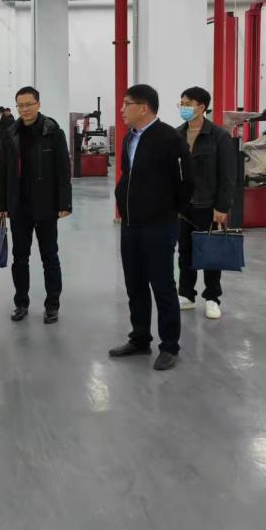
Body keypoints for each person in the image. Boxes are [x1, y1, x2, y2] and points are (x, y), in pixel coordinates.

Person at [109, 84, 194, 371]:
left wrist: (167, 211)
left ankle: (169, 345)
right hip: (131, 224)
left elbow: (186, 183)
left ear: (143, 108)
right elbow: (127, 175)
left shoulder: (170, 138)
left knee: (162, 285)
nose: (122, 109)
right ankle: (140, 338)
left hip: (159, 226)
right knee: (135, 284)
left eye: (127, 104)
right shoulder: (129, 138)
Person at [0, 86, 72, 324]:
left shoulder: (53, 131)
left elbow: (63, 169)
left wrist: (64, 202)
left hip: (46, 205)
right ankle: (21, 303)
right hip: (19, 206)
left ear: (38, 104)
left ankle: (52, 305)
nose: (25, 109)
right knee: (20, 257)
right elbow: (2, 171)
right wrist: (1, 204)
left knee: (50, 256)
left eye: (29, 104)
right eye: (20, 105)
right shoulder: (10, 133)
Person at [176, 86, 236, 320]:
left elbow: (228, 175)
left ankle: (212, 298)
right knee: (185, 252)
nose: (183, 107)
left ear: (201, 107)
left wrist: (222, 207)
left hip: (208, 205)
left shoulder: (218, 136)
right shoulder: (177, 134)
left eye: (187, 103)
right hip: (184, 206)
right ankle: (186, 295)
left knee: (212, 252)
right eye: (181, 103)